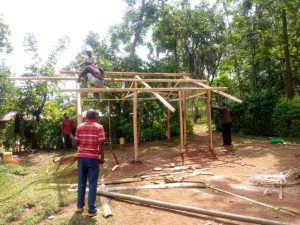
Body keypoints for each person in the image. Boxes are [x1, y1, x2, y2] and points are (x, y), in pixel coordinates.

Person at [75, 109, 105, 216]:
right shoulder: (99, 127)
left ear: (86, 116)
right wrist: (102, 158)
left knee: (81, 182)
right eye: (97, 115)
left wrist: (82, 149)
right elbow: (101, 144)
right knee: (92, 183)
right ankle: (92, 209)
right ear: (95, 116)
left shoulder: (79, 127)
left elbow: (76, 142)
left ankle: (79, 206)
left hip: (82, 158)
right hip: (93, 158)